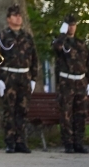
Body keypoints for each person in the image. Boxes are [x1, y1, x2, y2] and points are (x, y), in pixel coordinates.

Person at [0, 4, 38, 154]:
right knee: (9, 111)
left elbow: (34, 59)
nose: (18, 18)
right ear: (8, 19)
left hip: (24, 77)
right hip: (9, 77)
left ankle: (21, 142)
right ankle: (10, 142)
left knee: (22, 110)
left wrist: (33, 78)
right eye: (15, 15)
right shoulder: (2, 36)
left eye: (19, 15)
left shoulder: (27, 37)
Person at [52, 14, 89, 154]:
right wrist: (62, 34)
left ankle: (79, 143)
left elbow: (87, 63)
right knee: (66, 114)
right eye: (69, 25)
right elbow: (56, 47)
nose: (72, 27)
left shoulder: (81, 43)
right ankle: (68, 144)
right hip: (66, 82)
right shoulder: (61, 42)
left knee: (81, 114)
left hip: (81, 81)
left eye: (73, 25)